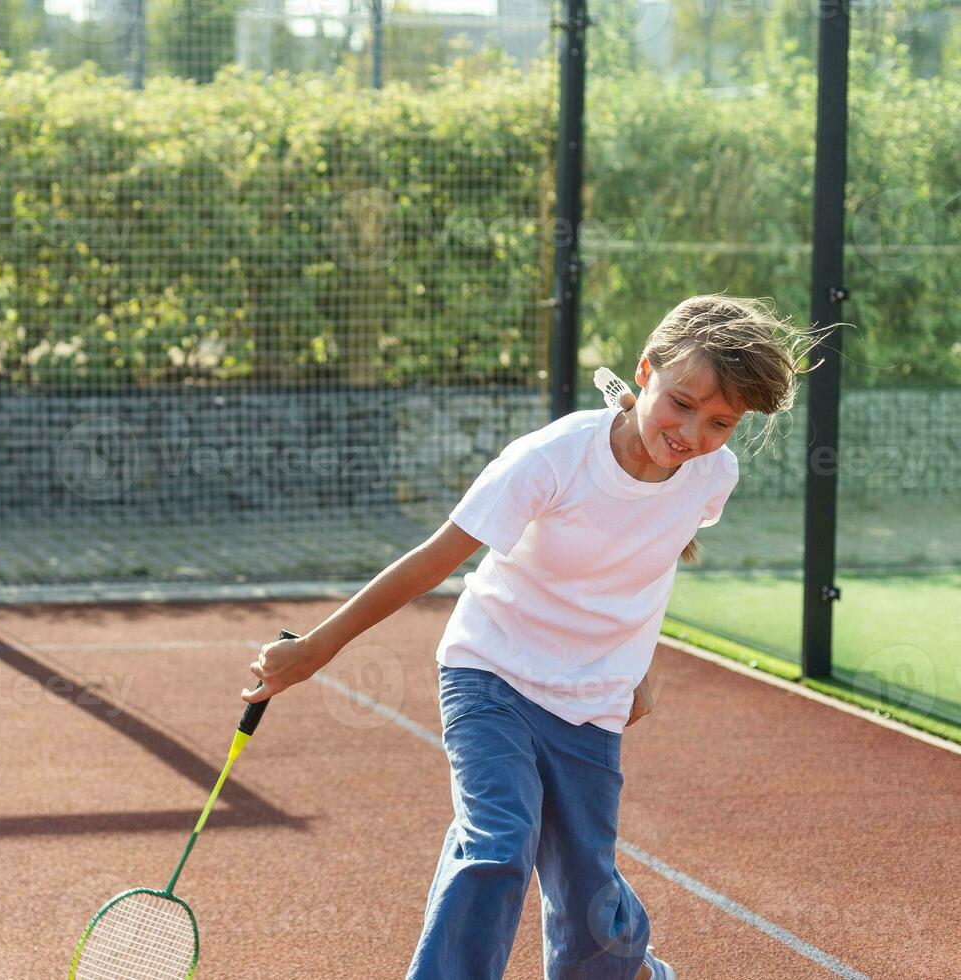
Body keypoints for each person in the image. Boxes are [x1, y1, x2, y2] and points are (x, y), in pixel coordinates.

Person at [242, 294, 822, 979]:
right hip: (492, 675)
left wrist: (632, 669)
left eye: (720, 422)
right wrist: (316, 647)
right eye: (681, 402)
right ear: (645, 372)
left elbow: (652, 554)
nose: (692, 432)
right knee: (499, 844)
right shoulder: (551, 458)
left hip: (592, 702)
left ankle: (631, 966)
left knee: (586, 902)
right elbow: (437, 557)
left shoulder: (711, 475)